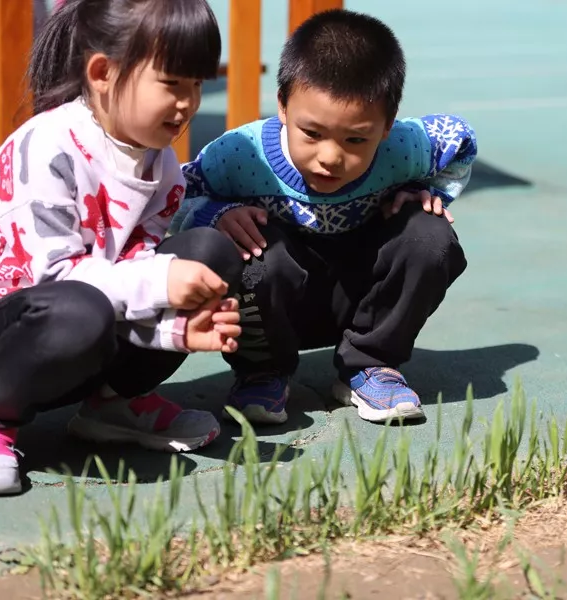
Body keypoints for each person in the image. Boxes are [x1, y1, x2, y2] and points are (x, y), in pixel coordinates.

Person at [0, 0, 244, 496]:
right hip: (0, 334)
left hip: (93, 317)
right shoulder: (45, 148)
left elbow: (134, 272)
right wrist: (159, 281)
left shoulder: (161, 166)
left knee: (211, 254)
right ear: (103, 72)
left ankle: (112, 403)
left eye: (195, 84)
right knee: (82, 308)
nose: (188, 103)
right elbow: (53, 280)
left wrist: (176, 327)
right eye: (171, 83)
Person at [170, 9, 477, 426]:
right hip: (277, 299)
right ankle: (263, 371)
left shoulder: (404, 149)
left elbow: (460, 142)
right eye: (311, 133)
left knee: (430, 235)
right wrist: (216, 212)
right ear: (282, 106)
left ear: (387, 126)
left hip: (362, 292)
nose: (331, 157)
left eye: (355, 139)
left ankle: (370, 364)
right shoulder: (241, 154)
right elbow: (176, 195)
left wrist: (425, 192)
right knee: (248, 246)